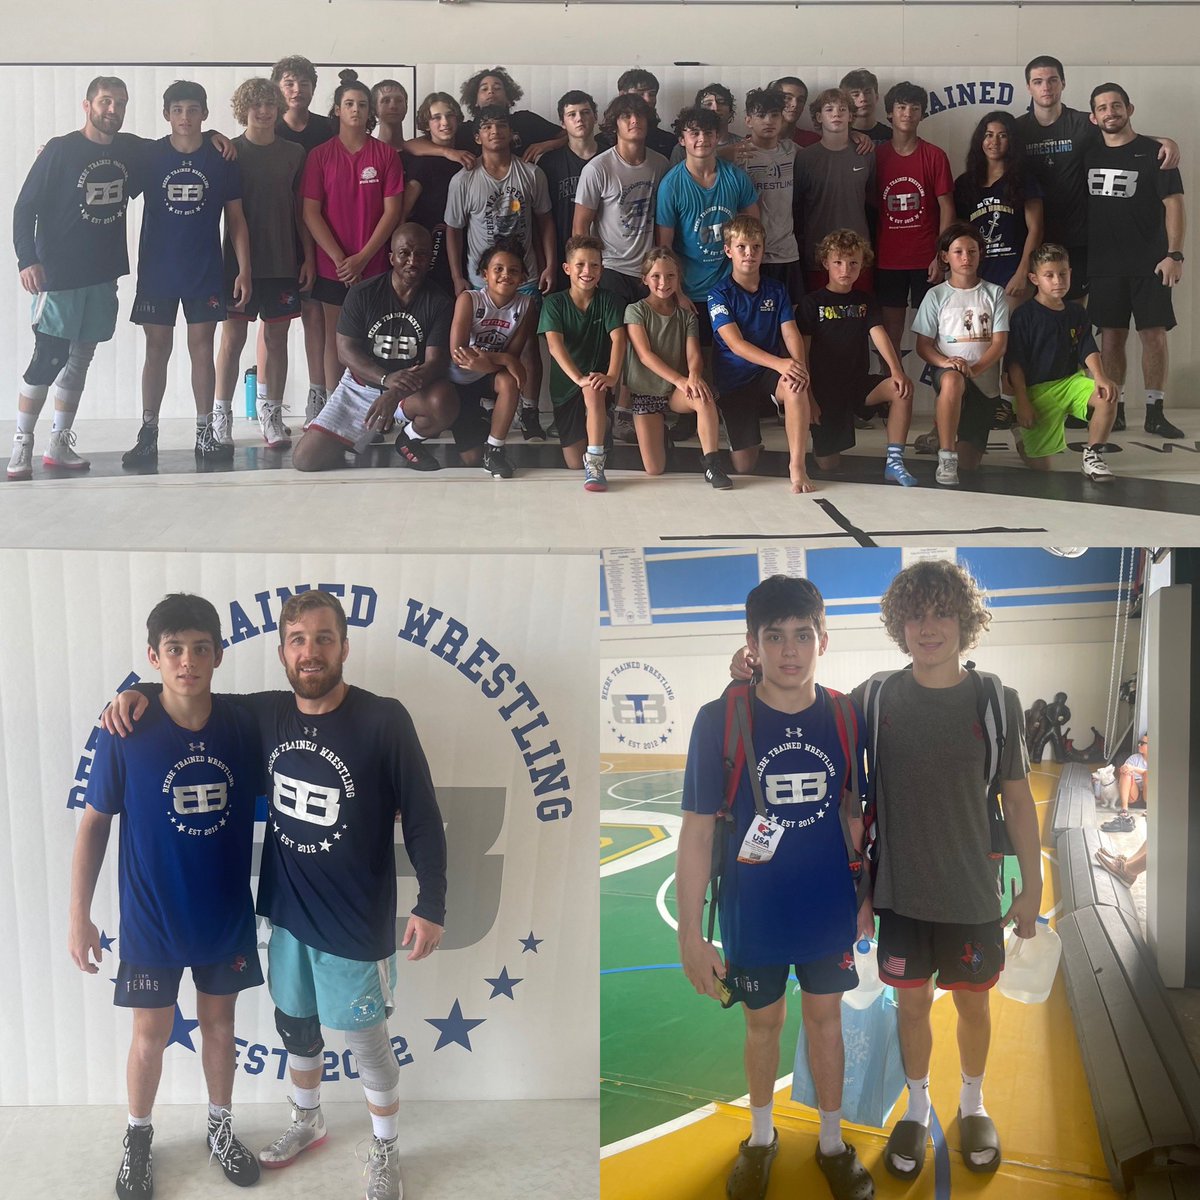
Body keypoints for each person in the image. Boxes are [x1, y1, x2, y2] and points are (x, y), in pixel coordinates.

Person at [103, 590, 448, 1200]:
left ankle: (386, 1148)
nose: (310, 652)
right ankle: (308, 1119)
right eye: (297, 640)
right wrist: (134, 696)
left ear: (345, 646)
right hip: (286, 915)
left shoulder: (384, 718)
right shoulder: (261, 714)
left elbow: (421, 814)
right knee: (298, 1032)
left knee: (367, 1043)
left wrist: (432, 901)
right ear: (282, 651)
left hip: (356, 920)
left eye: (322, 639)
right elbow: (187, 694)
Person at [678, 575, 875, 1200]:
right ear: (752, 644)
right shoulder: (719, 720)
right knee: (761, 1025)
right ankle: (760, 1140)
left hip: (827, 910)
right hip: (751, 912)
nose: (790, 651)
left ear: (824, 638)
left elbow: (854, 814)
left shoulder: (847, 716)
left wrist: (865, 895)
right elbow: (697, 834)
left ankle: (832, 1142)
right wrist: (691, 933)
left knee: (826, 1021)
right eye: (774, 637)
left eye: (802, 635)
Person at [70, 593, 263, 1200]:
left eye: (200, 649)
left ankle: (220, 1128)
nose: (188, 661)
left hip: (223, 915)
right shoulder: (126, 729)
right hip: (152, 921)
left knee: (220, 1027)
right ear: (153, 657)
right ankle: (137, 1137)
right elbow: (94, 824)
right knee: (148, 1037)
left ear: (219, 655)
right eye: (174, 650)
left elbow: (304, 726)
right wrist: (79, 915)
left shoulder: (241, 722)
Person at [858, 559, 1040, 1183]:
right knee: (910, 1009)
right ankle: (914, 1106)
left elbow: (1016, 798)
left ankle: (972, 1102)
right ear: (898, 624)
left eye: (941, 612)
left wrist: (1032, 885)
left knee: (972, 1009)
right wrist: (742, 681)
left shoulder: (996, 700)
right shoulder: (874, 696)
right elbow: (806, 713)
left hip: (972, 895)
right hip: (900, 895)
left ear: (965, 622)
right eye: (915, 613)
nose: (928, 626)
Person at [10, 76, 141, 478]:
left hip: (102, 274)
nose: (113, 109)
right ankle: (21, 445)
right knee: (48, 358)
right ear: (87, 105)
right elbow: (24, 207)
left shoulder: (130, 150)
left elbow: (175, 145)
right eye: (105, 101)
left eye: (120, 102)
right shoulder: (60, 150)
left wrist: (219, 135)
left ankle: (58, 442)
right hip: (59, 275)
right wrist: (26, 260)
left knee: (80, 359)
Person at [122, 81, 250, 467]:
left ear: (205, 114)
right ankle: (148, 434)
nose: (185, 118)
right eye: (177, 110)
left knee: (202, 350)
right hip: (158, 271)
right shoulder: (150, 156)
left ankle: (204, 433)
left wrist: (244, 270)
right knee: (156, 350)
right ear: (166, 114)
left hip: (204, 269)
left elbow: (238, 220)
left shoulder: (221, 158)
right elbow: (111, 148)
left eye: (193, 110)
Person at [1016, 54, 1179, 326]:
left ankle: (1076, 370)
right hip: (1031, 240)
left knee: (1074, 322)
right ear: (1029, 87)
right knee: (1032, 321)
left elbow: (1120, 134)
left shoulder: (1083, 123)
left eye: (1053, 80)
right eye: (1038, 81)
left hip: (1079, 239)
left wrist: (1163, 141)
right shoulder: (1018, 128)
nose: (1046, 87)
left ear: (1063, 83)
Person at [291, 223, 456, 471]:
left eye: (421, 254)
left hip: (411, 390)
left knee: (443, 401)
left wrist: (394, 391)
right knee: (305, 460)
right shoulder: (362, 293)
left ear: (430, 259)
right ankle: (358, 435)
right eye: (405, 253)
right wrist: (385, 378)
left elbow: (435, 362)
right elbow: (345, 350)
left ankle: (408, 438)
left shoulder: (440, 301)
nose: (413, 260)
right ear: (391, 257)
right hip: (361, 386)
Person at [444, 106, 555, 441]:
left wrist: (550, 263)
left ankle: (530, 411)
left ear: (512, 134)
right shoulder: (463, 179)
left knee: (529, 350)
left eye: (501, 125)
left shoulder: (531, 174)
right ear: (477, 136)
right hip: (480, 279)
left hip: (527, 276)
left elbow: (545, 222)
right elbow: (453, 230)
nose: (495, 131)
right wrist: (456, 277)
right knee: (478, 345)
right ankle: (484, 403)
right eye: (487, 127)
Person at [213, 77, 310, 452]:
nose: (264, 111)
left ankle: (271, 414)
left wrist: (308, 256)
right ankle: (221, 415)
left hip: (283, 260)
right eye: (256, 106)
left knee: (277, 339)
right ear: (243, 110)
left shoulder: (294, 153)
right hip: (238, 265)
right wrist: (210, 136)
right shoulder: (228, 151)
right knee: (233, 339)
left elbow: (302, 210)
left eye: (269, 105)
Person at [1086, 82, 1187, 439]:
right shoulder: (1087, 151)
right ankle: (1117, 408)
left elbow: (1173, 204)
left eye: (1116, 105)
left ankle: (1155, 412)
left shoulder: (1155, 153)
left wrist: (1174, 254)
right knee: (1111, 338)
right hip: (1102, 264)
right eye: (1102, 108)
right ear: (1093, 116)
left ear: (1129, 108)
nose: (1110, 112)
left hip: (1151, 263)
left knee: (1154, 336)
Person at [301, 70, 405, 409]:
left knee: (373, 338)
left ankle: (374, 408)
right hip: (334, 268)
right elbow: (310, 212)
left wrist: (362, 258)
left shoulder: (386, 155)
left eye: (362, 104)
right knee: (337, 339)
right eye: (349, 104)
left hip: (374, 264)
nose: (356, 110)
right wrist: (339, 259)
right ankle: (336, 406)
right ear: (337, 110)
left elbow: (392, 213)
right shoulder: (319, 156)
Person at [574, 92, 670, 444]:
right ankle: (605, 411)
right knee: (617, 344)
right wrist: (586, 274)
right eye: (626, 116)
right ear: (613, 123)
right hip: (611, 266)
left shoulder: (660, 164)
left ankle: (629, 412)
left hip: (647, 270)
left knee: (644, 343)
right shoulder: (598, 168)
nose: (634, 122)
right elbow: (580, 227)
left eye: (640, 116)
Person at [798, 229, 915, 485]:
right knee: (828, 464)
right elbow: (802, 354)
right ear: (826, 263)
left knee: (901, 389)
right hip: (825, 391)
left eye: (853, 263)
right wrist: (809, 398)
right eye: (838, 262)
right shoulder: (811, 303)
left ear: (863, 265)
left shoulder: (865, 300)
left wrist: (896, 371)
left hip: (858, 384)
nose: (845, 269)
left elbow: (879, 333)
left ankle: (894, 462)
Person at [708, 215, 813, 491]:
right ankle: (751, 437)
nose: (749, 253)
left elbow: (790, 332)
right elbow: (735, 344)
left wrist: (799, 368)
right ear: (728, 250)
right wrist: (781, 363)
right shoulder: (718, 293)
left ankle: (797, 466)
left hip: (768, 374)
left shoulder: (776, 289)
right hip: (735, 382)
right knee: (744, 466)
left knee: (795, 385)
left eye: (755, 246)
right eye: (741, 247)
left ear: (763, 249)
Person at [1006, 243, 1117, 480]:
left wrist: (1100, 377)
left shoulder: (1076, 312)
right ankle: (1020, 432)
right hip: (1036, 393)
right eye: (1049, 275)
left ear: (1070, 273)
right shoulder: (1023, 316)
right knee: (1040, 468)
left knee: (1107, 394)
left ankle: (1093, 455)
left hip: (1070, 383)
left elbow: (1088, 347)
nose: (1058, 281)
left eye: (1063, 274)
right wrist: (1023, 401)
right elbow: (1015, 363)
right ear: (1034, 279)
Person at [911, 223, 1009, 485]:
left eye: (972, 251)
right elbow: (924, 346)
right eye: (958, 252)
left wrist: (975, 369)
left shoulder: (994, 293)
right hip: (949, 372)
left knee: (970, 465)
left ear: (980, 254)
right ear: (945, 256)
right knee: (953, 380)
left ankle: (946, 436)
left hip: (984, 383)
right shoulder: (936, 295)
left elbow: (999, 344)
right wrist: (946, 362)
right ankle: (946, 454)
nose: (965, 258)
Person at [623, 246, 730, 487]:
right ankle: (662, 436)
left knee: (703, 397)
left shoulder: (686, 315)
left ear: (678, 278)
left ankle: (712, 465)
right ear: (645, 279)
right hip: (647, 392)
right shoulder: (635, 311)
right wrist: (681, 380)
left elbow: (693, 353)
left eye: (670, 276)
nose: (663, 282)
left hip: (675, 392)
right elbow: (645, 355)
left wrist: (693, 376)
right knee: (654, 469)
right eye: (656, 276)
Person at [271, 55, 337, 424]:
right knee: (274, 323)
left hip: (318, 228)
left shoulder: (328, 128)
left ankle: (318, 396)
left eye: (305, 83)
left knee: (315, 315)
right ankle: (270, 406)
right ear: (278, 87)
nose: (298, 90)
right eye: (290, 83)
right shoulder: (268, 126)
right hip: (275, 233)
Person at [655, 105, 759, 326]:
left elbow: (755, 232)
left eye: (708, 132)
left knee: (734, 353)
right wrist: (678, 293)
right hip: (690, 290)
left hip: (732, 285)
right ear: (682, 140)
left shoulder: (736, 178)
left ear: (717, 136)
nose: (702, 139)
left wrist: (748, 281)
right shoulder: (671, 186)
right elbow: (665, 247)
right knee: (696, 356)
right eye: (694, 133)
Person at [537, 234, 626, 490]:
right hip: (565, 386)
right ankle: (600, 427)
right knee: (574, 462)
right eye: (580, 265)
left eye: (594, 265)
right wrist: (577, 378)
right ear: (567, 269)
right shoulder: (554, 303)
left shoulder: (609, 300)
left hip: (597, 382)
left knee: (593, 389)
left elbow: (619, 340)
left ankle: (596, 463)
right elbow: (554, 346)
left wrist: (611, 376)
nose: (587, 271)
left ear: (602, 269)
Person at [872, 82, 954, 358]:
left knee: (939, 335)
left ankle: (947, 392)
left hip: (926, 261)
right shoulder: (876, 157)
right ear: (890, 114)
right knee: (890, 337)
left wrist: (941, 257)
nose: (908, 113)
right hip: (887, 261)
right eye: (901, 107)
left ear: (922, 114)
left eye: (915, 108)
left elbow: (947, 208)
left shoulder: (935, 156)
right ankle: (893, 393)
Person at [448, 236, 537, 478]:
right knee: (469, 458)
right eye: (498, 269)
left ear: (522, 278)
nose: (505, 275)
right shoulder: (469, 299)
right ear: (484, 274)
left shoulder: (527, 305)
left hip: (490, 375)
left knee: (510, 381)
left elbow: (514, 355)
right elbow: (457, 353)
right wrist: (504, 360)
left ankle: (495, 450)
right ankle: (481, 422)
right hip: (461, 381)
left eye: (513, 270)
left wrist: (498, 361)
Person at [953, 112, 1043, 303]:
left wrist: (1022, 273)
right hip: (976, 275)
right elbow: (958, 234)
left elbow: (1036, 229)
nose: (994, 141)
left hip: (1013, 275)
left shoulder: (1024, 180)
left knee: (1010, 331)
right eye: (988, 135)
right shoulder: (964, 184)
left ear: (1012, 141)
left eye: (1002, 135)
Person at [794, 90, 876, 291]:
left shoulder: (865, 153)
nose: (836, 114)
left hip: (858, 254)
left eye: (842, 109)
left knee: (860, 315)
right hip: (818, 253)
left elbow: (873, 201)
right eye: (829, 109)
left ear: (851, 116)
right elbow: (797, 208)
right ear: (819, 117)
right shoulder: (805, 158)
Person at [401, 92, 468, 295]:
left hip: (468, 244)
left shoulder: (469, 149)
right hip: (432, 247)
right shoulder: (422, 162)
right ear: (426, 123)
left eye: (449, 115)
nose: (444, 122)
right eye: (436, 117)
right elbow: (403, 213)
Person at [538, 90, 606, 291]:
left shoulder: (611, 157)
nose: (579, 119)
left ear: (595, 116)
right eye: (572, 115)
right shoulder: (550, 163)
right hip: (561, 254)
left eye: (585, 112)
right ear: (562, 123)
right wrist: (548, 263)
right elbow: (543, 218)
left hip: (606, 257)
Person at [740, 88, 801, 299]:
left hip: (787, 252)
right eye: (761, 115)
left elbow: (827, 150)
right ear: (748, 120)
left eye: (774, 115)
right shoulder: (738, 155)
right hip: (753, 254)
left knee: (791, 317)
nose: (769, 121)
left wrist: (856, 135)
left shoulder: (793, 151)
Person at [458, 66, 564, 161]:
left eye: (497, 88)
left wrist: (550, 144)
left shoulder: (526, 120)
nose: (490, 92)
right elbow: (441, 142)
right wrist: (448, 152)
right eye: (484, 89)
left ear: (508, 98)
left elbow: (570, 135)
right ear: (475, 100)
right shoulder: (467, 129)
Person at [668, 83, 742, 166]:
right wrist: (719, 153)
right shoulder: (683, 147)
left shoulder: (742, 145)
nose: (715, 108)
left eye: (721, 102)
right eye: (708, 104)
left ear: (730, 113)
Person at [616, 68, 678, 159]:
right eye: (640, 94)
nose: (647, 99)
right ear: (622, 95)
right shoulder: (604, 140)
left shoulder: (669, 141)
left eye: (652, 94)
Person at [1100, 734, 1150, 832]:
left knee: (1148, 774)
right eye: (1139, 742)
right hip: (1133, 795)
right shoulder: (1134, 758)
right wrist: (1126, 769)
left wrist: (1134, 769)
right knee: (1125, 774)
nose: (1139, 745)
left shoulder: (1159, 760)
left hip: (1149, 797)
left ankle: (1151, 809)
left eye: (1142, 743)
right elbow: (1124, 769)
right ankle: (1124, 809)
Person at [840, 69, 893, 144]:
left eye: (867, 92)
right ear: (845, 101)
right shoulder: (839, 137)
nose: (863, 99)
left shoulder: (890, 136)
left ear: (877, 97)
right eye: (855, 95)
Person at [769, 76, 820, 148]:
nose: (795, 104)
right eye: (787, 98)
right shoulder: (754, 142)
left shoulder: (812, 141)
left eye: (800, 100)